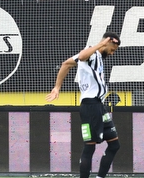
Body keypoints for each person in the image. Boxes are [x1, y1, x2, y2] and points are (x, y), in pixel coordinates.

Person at [46, 27, 122, 178]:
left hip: (100, 106)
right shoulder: (91, 52)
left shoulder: (97, 57)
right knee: (90, 147)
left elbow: (66, 64)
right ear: (106, 43)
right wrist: (100, 44)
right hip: (90, 106)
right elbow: (81, 57)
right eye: (112, 49)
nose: (112, 53)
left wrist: (57, 87)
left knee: (114, 145)